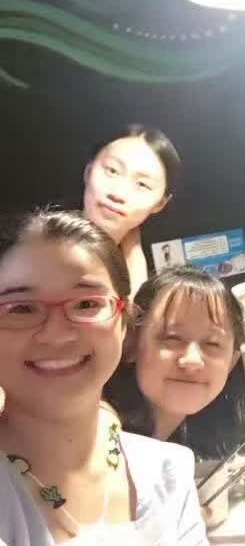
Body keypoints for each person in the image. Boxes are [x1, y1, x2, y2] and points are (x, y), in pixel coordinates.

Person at [0, 209, 207, 544]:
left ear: (123, 321)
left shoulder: (167, 473)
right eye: (21, 308)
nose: (57, 335)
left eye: (86, 304)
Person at [104, 266, 245, 461]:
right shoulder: (103, 438)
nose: (192, 360)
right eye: (172, 338)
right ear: (131, 344)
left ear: (232, 362)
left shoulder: (190, 446)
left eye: (212, 343)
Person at [83, 124, 181, 296]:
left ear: (160, 204)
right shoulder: (39, 249)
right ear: (88, 172)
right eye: (112, 171)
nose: (118, 193)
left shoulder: (155, 273)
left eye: (142, 184)